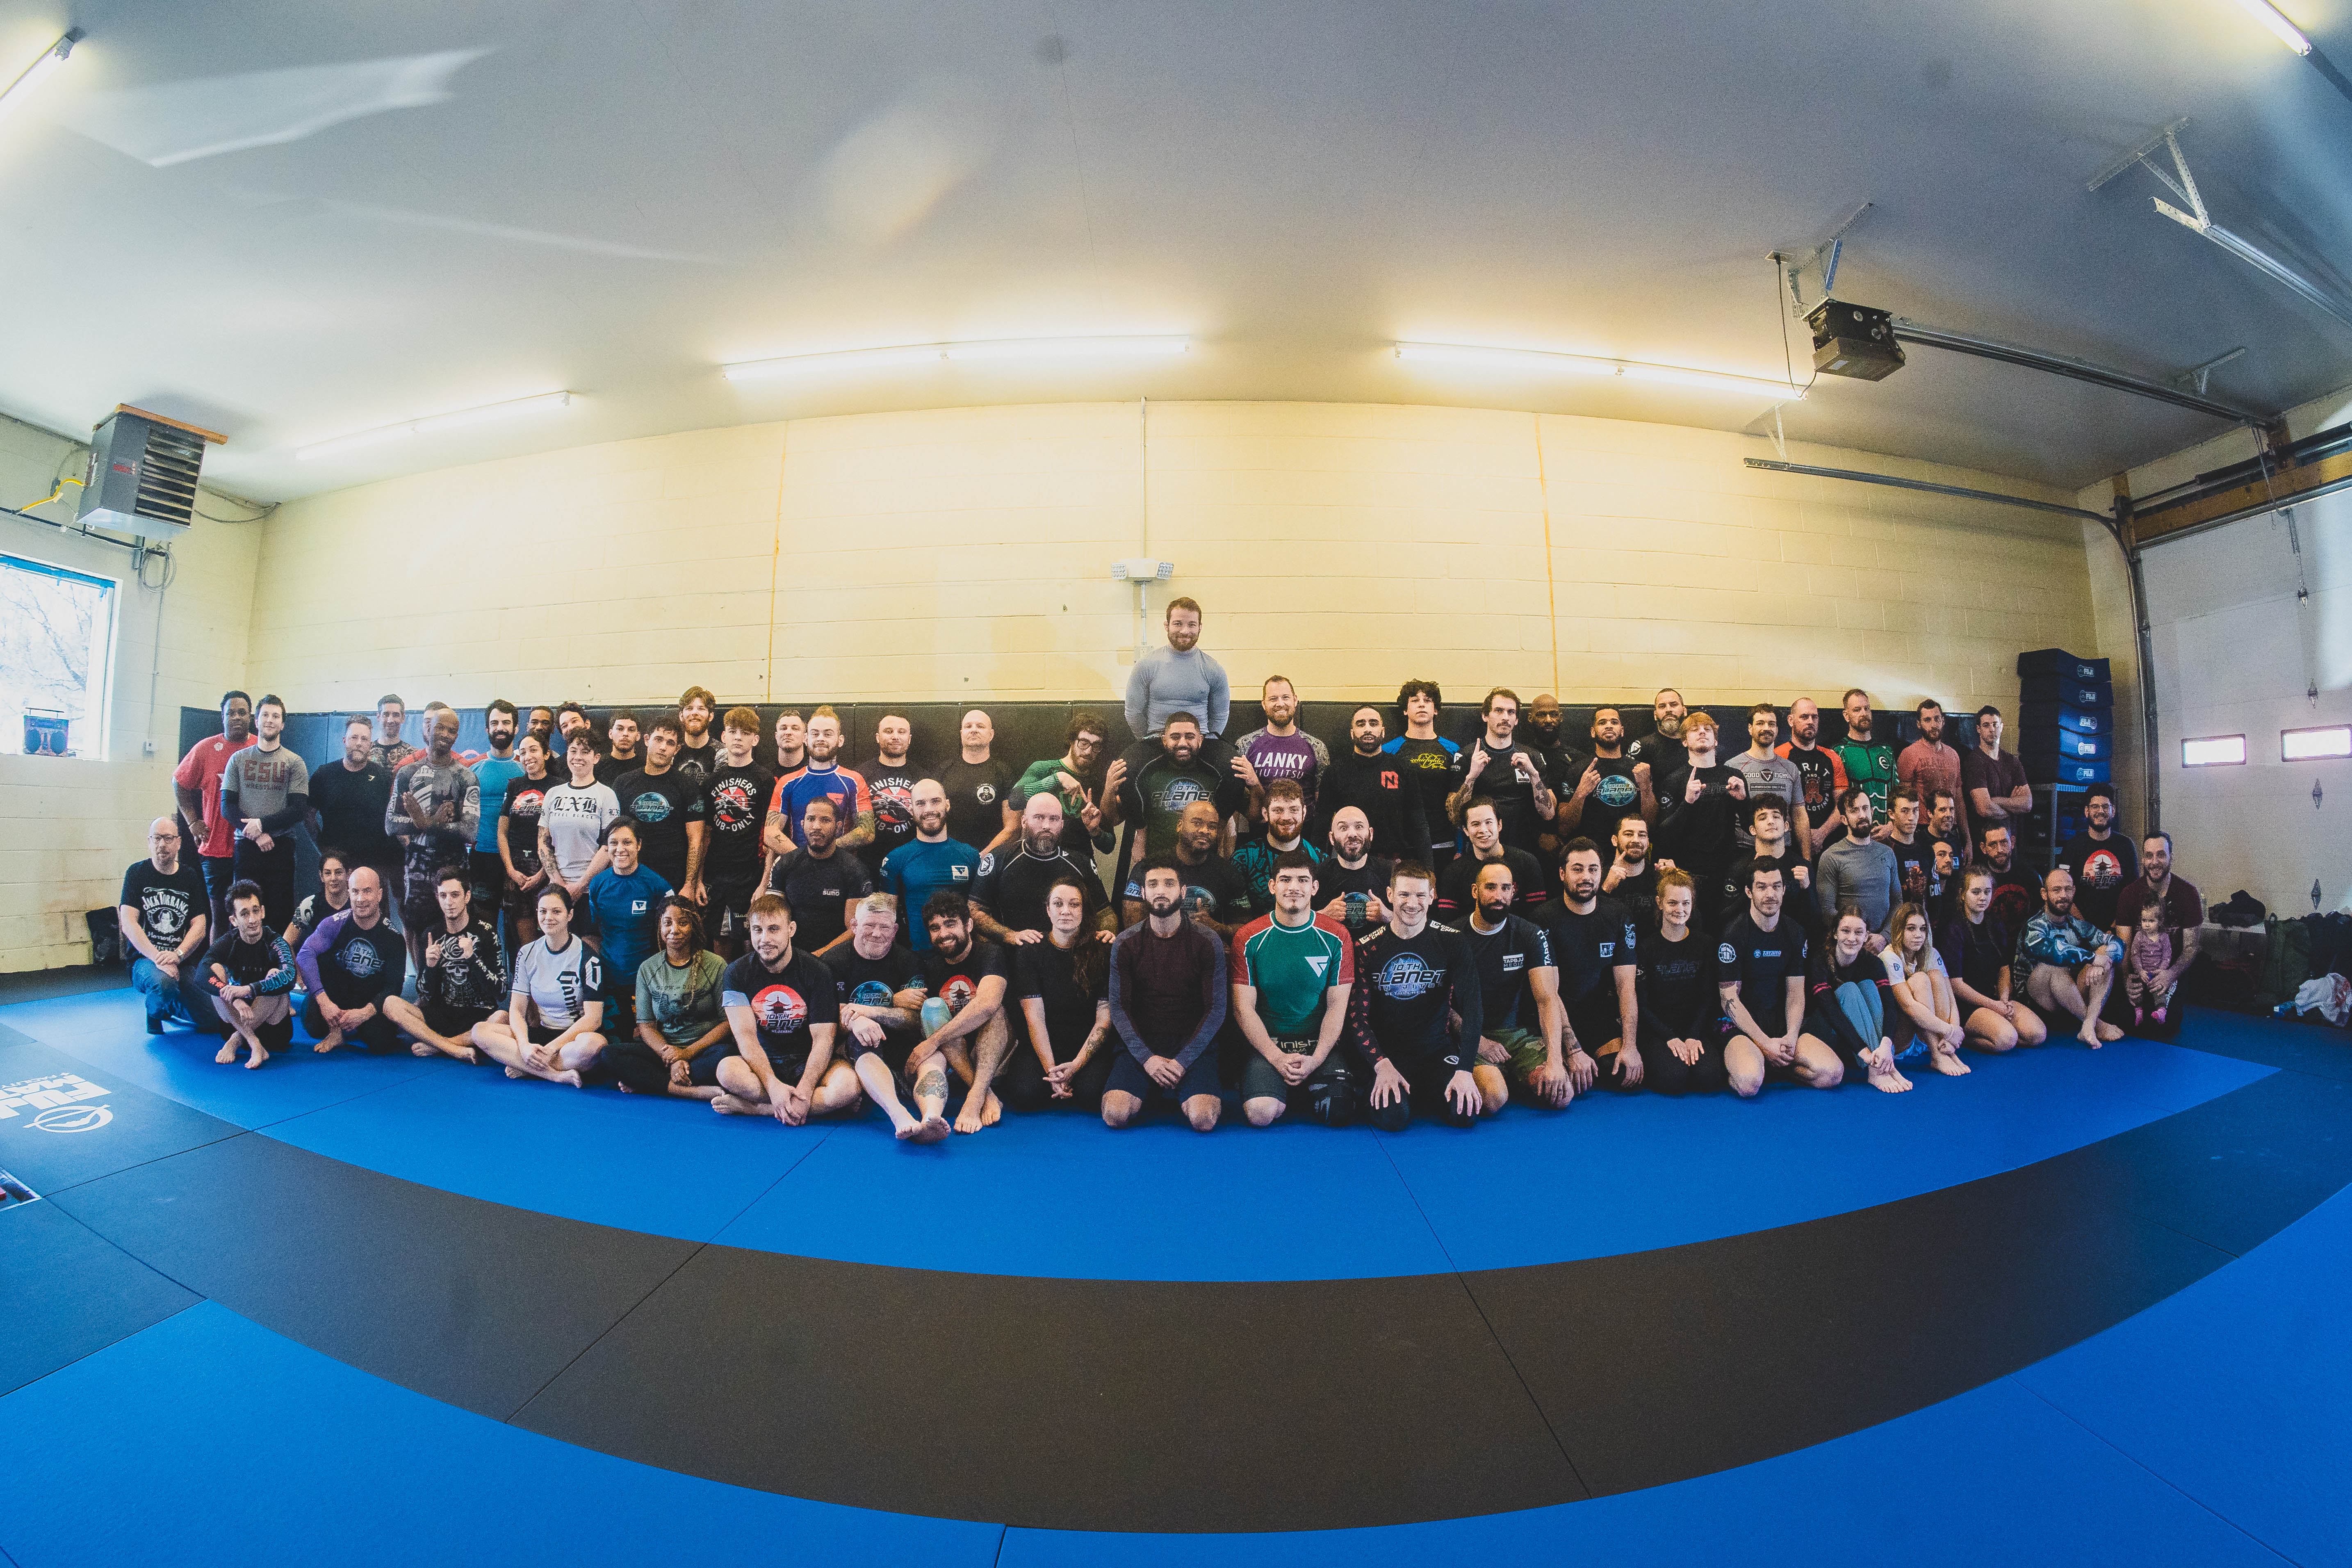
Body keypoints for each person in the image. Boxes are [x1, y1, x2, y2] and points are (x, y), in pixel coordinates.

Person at [1231, 852, 1361, 1126]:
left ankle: (1300, 1087)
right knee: (1261, 1114)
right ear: (1272, 886)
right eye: (1285, 880)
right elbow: (1244, 1010)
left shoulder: (1337, 936)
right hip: (1270, 1045)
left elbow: (1337, 1008)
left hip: (1318, 1046)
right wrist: (1277, 1057)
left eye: (1302, 880)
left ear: (1314, 888)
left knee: (1338, 1111)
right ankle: (1275, 1087)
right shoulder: (1248, 937)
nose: (1294, 887)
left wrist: (1316, 1060)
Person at [1351, 861, 1482, 1130]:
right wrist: (1381, 1065)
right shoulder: (1367, 947)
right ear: (1390, 895)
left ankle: (1426, 1092)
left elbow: (1473, 1009)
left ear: (1433, 896)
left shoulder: (1453, 942)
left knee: (1464, 1113)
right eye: (1404, 895)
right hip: (1388, 1055)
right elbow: (1357, 1018)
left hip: (1437, 1052)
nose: (1412, 904)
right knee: (1393, 1118)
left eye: (1421, 895)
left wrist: (1465, 1070)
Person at [1102, 858, 1228, 1132]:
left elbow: (1216, 1010)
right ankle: (1151, 1086)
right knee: (1115, 1115)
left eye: (1169, 884)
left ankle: (1171, 1085)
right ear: (1144, 893)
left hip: (1192, 1045)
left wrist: (1182, 1062)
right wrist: (1148, 1060)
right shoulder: (1125, 943)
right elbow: (1120, 1008)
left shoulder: (1208, 941)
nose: (1161, 890)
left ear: (1182, 892)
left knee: (1204, 1120)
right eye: (1153, 884)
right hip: (1142, 1045)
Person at [712, 894, 857, 1124]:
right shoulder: (736, 973)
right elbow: (746, 1038)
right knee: (726, 1071)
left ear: (791, 929)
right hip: (764, 1061)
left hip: (808, 1060)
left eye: (773, 929)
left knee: (849, 1087)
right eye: (758, 930)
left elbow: (824, 1040)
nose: (765, 939)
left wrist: (806, 1090)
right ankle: (792, 1104)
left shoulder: (818, 971)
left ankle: (756, 1109)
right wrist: (773, 1086)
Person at [825, 896, 951, 1140]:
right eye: (869, 925)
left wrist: (869, 1011)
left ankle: (931, 1118)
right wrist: (857, 1020)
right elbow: (830, 1017)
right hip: (860, 1049)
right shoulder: (832, 962)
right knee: (863, 1038)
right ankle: (900, 1116)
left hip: (902, 1046)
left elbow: (915, 1019)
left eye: (884, 927)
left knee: (934, 1055)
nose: (876, 934)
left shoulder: (909, 961)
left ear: (895, 931)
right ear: (854, 926)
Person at [1718, 857, 1844, 1096]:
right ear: (1749, 892)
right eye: (1762, 887)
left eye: (1776, 887)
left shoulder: (1795, 933)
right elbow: (1729, 1000)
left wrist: (1791, 1037)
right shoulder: (1734, 933)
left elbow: (1795, 995)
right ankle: (1754, 1064)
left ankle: (1778, 1068)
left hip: (1779, 1023)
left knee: (1832, 1074)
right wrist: (1764, 1043)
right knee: (1749, 1084)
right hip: (1742, 1026)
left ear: (1784, 890)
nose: (1770, 894)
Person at [1002, 877, 1119, 1115]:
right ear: (1048, 910)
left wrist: (1077, 1065)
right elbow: (1034, 1017)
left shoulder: (1103, 949)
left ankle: (1073, 1078)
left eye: (1075, 904)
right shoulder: (1030, 951)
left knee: (1091, 1094)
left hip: (1086, 1046)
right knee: (1025, 1095)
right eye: (1058, 904)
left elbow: (1104, 1018)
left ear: (1084, 910)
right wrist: (1052, 1071)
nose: (1066, 911)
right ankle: (1057, 1080)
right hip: (1044, 1045)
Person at [1459, 857, 1568, 1111]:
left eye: (1506, 888)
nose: (1499, 896)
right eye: (1491, 887)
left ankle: (1514, 1074)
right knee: (1494, 1098)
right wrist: (1480, 1041)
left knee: (1562, 1095)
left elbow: (1547, 999)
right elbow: (1442, 1004)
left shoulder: (1529, 934)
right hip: (1472, 1035)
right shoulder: (1455, 937)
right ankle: (1500, 1077)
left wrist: (1555, 1060)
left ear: (1513, 892)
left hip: (1517, 1035)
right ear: (1475, 891)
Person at [472, 886, 607, 1087]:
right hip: (541, 1035)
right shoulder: (527, 953)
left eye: (556, 912)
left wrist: (551, 1049)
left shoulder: (588, 958)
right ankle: (554, 1075)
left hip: (572, 1040)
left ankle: (526, 1066)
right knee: (480, 1031)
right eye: (543, 911)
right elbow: (517, 1010)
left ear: (570, 915)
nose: (548, 917)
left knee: (594, 1046)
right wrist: (524, 1046)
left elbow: (593, 1019)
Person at [1103, 711, 1247, 891]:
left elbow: (1256, 815)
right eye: (1175, 737)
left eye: (1190, 737)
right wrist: (1109, 789)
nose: (1183, 743)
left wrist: (1255, 785)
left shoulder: (1216, 775)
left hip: (1202, 865)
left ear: (1201, 740)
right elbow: (1111, 820)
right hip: (1157, 865)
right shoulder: (1148, 775)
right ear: (1164, 741)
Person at [912, 892, 1019, 1134]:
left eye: (951, 924)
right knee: (932, 1008)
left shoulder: (990, 953)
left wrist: (933, 1041)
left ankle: (975, 1097)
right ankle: (986, 1094)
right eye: (935, 928)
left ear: (969, 925)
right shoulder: (930, 966)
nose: (943, 934)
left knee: (995, 1011)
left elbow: (988, 1004)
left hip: (996, 1055)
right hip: (957, 1062)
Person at [1541, 839, 1640, 1094]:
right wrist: (1573, 1050)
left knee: (1623, 1074)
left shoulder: (1618, 915)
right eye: (1578, 869)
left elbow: (1626, 988)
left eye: (1593, 869)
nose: (1586, 877)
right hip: (1555, 1019)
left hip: (1598, 1017)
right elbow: (1549, 994)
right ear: (1562, 874)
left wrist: (1630, 1046)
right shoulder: (1543, 918)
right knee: (1559, 1090)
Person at [608, 899, 732, 1101]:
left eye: (683, 923)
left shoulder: (716, 964)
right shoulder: (648, 968)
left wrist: (686, 1053)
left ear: (694, 926)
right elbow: (646, 1026)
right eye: (668, 923)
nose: (675, 930)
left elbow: (727, 1023)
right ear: (660, 928)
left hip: (703, 1051)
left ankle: (650, 1082)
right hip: (664, 1052)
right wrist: (672, 1057)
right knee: (609, 1055)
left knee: (727, 1056)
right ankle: (684, 1090)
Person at [381, 865, 504, 1062]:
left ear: (467, 897)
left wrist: (473, 959)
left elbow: (501, 992)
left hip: (479, 1018)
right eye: (443, 896)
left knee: (502, 1018)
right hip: (443, 1015)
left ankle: (438, 1045)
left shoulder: (486, 932)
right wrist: (430, 967)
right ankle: (453, 1048)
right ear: (437, 898)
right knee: (390, 1004)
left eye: (455, 895)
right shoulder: (431, 935)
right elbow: (425, 994)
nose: (449, 902)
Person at [386, 706, 479, 966]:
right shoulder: (407, 773)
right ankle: (423, 985)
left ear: (457, 736)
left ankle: (453, 983)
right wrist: (430, 824)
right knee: (417, 927)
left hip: (453, 863)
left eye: (452, 731)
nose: (446, 735)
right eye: (441, 728)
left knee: (455, 926)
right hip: (417, 864)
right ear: (428, 729)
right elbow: (391, 825)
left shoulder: (466, 777)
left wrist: (425, 823)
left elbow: (470, 831)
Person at [969, 794, 1112, 945]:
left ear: (1062, 825)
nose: (1046, 826)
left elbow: (1106, 914)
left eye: (1054, 819)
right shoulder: (999, 858)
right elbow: (974, 910)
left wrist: (1106, 934)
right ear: (1024, 821)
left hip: (1068, 953)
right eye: (1039, 818)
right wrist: (1009, 935)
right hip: (1014, 952)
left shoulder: (1081, 863)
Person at [1633, 870, 1729, 1095]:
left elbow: (1708, 998)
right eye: (1673, 903)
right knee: (1674, 1079)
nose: (1680, 909)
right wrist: (1670, 1037)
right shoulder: (1646, 948)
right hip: (1658, 1030)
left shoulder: (1705, 944)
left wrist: (1694, 1035)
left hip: (1695, 1027)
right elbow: (1643, 1005)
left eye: (1686, 903)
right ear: (1660, 903)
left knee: (1709, 1077)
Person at [295, 865, 407, 1054]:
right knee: (313, 1025)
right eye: (355, 892)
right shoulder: (334, 924)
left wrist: (365, 1013)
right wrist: (324, 1002)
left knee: (381, 1043)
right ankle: (335, 1031)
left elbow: (394, 985)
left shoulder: (394, 938)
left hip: (368, 999)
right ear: (349, 894)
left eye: (367, 891)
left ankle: (357, 1026)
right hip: (337, 995)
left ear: (379, 895)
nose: (360, 899)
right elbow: (305, 954)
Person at [1936, 863, 2046, 1054]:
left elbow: (2004, 969)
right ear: (1963, 894)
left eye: (1987, 892)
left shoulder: (1996, 925)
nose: (1983, 897)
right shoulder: (1954, 930)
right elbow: (1956, 985)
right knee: (2007, 1040)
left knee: (2038, 1035)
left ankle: (1997, 1029)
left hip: (1994, 999)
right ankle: (1965, 1036)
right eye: (1976, 892)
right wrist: (1994, 1006)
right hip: (1966, 1006)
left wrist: (2004, 1000)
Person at [171, 689, 255, 939]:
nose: (237, 717)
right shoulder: (206, 748)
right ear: (223, 716)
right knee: (219, 916)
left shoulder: (260, 748)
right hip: (215, 847)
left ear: (251, 717)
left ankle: (246, 962)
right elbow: (179, 783)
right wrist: (193, 822)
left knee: (249, 915)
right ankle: (217, 963)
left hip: (250, 846)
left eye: (242, 713)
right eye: (231, 713)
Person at [579, 817, 673, 1036]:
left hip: (648, 981)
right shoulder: (598, 884)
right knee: (612, 1044)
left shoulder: (658, 885)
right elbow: (593, 932)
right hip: (609, 981)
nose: (620, 849)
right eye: (614, 843)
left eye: (627, 842)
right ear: (607, 847)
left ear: (639, 845)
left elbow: (671, 936)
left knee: (645, 1042)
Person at [1444, 688, 1557, 868]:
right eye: (1499, 711)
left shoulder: (1532, 757)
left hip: (1523, 851)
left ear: (1517, 720)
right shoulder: (1467, 756)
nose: (1505, 717)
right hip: (1482, 852)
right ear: (1485, 716)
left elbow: (1549, 814)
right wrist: (1472, 777)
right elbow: (1455, 817)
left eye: (1511, 712)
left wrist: (1534, 775)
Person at [2016, 866, 2126, 1048]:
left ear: (2074, 891)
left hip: (2070, 999)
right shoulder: (2034, 926)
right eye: (2056, 890)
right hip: (2037, 1004)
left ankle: (2089, 1024)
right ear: (2044, 894)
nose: (2063, 895)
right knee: (2054, 966)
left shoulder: (2078, 925)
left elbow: (2118, 943)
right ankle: (2096, 1025)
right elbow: (2052, 951)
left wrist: (2103, 959)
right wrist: (2092, 958)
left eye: (2068, 889)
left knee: (2105, 953)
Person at [1655, 711, 1746, 927]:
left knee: (1722, 925)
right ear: (1685, 741)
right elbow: (1665, 832)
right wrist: (1687, 802)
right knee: (1692, 927)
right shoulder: (1675, 780)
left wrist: (1743, 800)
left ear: (1716, 741)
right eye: (1695, 730)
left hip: (1725, 868)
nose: (1702, 732)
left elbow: (1749, 825)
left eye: (1708, 730)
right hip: (1688, 870)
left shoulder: (1733, 776)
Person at [120, 817, 210, 1033]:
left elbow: (200, 926)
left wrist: (178, 955)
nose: (162, 844)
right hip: (145, 961)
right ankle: (155, 1011)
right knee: (164, 984)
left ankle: (170, 1006)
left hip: (181, 961)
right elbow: (129, 923)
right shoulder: (136, 873)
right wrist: (158, 958)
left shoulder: (189, 877)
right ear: (149, 842)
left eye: (168, 839)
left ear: (179, 843)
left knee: (214, 1020)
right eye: (157, 838)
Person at [1122, 597, 1231, 774]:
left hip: (1200, 743)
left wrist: (1200, 741)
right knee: (1126, 770)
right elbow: (1133, 713)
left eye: (1192, 625)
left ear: (1200, 627)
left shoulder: (1214, 669)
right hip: (1157, 740)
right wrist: (1151, 739)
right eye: (1178, 624)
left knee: (1232, 770)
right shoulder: (1146, 666)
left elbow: (1220, 716)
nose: (1185, 631)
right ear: (1167, 626)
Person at [195, 880, 297, 1069]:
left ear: (263, 912)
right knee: (215, 972)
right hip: (237, 1018)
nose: (252, 920)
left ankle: (236, 1041)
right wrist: (235, 998)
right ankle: (253, 1043)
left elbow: (290, 976)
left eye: (256, 911)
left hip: (273, 1030)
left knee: (276, 974)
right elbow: (201, 973)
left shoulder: (275, 942)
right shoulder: (228, 942)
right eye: (244, 914)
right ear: (234, 920)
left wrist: (248, 990)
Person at [2110, 832, 2202, 1041]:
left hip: (2170, 972)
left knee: (2165, 1026)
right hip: (2140, 971)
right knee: (2126, 1020)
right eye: (2149, 856)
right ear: (2143, 859)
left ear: (2171, 857)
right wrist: (2127, 980)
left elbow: (2191, 947)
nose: (2155, 862)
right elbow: (2124, 945)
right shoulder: (2129, 895)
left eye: (2161, 855)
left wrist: (2171, 974)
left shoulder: (2188, 894)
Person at [1809, 906, 1910, 1093]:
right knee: (1849, 990)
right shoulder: (1820, 961)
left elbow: (1889, 1007)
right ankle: (1876, 1069)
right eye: (1845, 931)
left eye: (1858, 933)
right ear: (1835, 934)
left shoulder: (1874, 963)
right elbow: (1831, 1012)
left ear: (1867, 936)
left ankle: (1885, 1064)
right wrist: (1866, 1055)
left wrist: (1887, 1045)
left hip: (1857, 1045)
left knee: (1869, 987)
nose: (1852, 938)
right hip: (1825, 1033)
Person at [223, 728, 313, 940]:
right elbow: (227, 807)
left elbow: (298, 809)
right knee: (245, 909)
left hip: (281, 846)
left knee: (280, 911)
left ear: (283, 724)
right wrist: (257, 835)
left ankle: (278, 959)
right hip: (247, 847)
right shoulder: (238, 759)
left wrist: (262, 825)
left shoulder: (294, 762)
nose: (270, 721)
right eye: (265, 715)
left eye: (275, 716)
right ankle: (244, 959)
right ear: (257, 721)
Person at [1313, 705, 1431, 864]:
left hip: (1394, 861)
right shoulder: (1335, 772)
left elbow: (1419, 824)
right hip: (1350, 861)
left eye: (1373, 724)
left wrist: (1429, 869)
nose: (1367, 729)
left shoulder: (1403, 769)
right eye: (1361, 724)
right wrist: (1318, 869)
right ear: (1352, 733)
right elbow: (1321, 825)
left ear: (1383, 731)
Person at [703, 707, 777, 957]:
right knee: (719, 939)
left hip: (750, 874)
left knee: (752, 941)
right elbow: (705, 834)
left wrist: (765, 882)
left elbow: (771, 835)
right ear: (724, 737)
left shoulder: (765, 780)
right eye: (733, 732)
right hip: (717, 874)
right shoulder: (712, 781)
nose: (738, 738)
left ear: (755, 739)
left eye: (745, 733)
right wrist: (698, 879)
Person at [1122, 798, 1252, 937]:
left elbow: (1246, 929)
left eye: (1212, 827)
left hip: (1205, 946)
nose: (1205, 831)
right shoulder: (1148, 868)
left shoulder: (1228, 873)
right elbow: (1132, 927)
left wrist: (1219, 928)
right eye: (1197, 823)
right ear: (1180, 826)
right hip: (1156, 946)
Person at [880, 779, 981, 953]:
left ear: (947, 805)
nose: (929, 810)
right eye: (921, 804)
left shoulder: (971, 856)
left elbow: (981, 913)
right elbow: (886, 918)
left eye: (935, 801)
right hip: (918, 958)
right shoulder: (896, 859)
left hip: (964, 957)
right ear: (911, 810)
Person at [764, 796, 873, 954]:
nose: (816, 826)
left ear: (838, 827)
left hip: (836, 956)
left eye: (825, 820)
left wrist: (819, 956)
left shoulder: (855, 869)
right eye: (811, 819)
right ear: (803, 824)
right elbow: (771, 917)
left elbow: (854, 929)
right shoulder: (785, 863)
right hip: (791, 954)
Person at [615, 716, 708, 898]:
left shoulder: (688, 787)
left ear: (677, 749)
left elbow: (696, 840)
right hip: (631, 875)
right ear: (647, 740)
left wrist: (690, 885)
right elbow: (614, 835)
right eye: (658, 739)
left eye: (670, 743)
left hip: (673, 878)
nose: (663, 747)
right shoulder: (623, 783)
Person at [1555, 706, 1657, 868]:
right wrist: (1581, 793)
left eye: (1614, 722)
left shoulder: (1640, 770)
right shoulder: (1579, 770)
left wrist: (1646, 789)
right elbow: (1565, 828)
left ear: (1622, 731)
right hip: (1592, 859)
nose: (1609, 726)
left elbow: (1651, 824)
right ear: (1593, 732)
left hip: (1631, 857)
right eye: (1602, 723)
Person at [310, 716, 399, 900]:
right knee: (334, 914)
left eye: (364, 739)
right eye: (354, 738)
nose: (359, 743)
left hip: (374, 865)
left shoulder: (384, 778)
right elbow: (308, 814)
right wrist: (322, 847)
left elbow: (393, 819)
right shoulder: (324, 775)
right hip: (336, 866)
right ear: (345, 740)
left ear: (370, 745)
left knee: (375, 916)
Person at [766, 706, 873, 857]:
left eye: (828, 734)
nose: (820, 739)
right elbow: (770, 832)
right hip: (798, 866)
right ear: (806, 739)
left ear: (840, 740)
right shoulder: (787, 782)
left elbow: (868, 832)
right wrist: (803, 859)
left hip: (839, 867)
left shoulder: (854, 781)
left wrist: (824, 853)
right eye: (815, 734)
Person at [1003, 711, 1113, 856]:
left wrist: (1095, 831)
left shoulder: (1098, 784)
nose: (1088, 751)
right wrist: (1058, 778)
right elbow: (1014, 800)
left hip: (1078, 861)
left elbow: (1109, 846)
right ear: (1072, 741)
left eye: (1096, 746)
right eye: (1084, 743)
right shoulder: (1043, 769)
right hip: (1039, 857)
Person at [1881, 901, 1969, 1077]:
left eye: (1923, 929)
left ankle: (1945, 1051)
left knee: (1935, 975)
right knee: (1920, 979)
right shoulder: (1889, 956)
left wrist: (1953, 1037)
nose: (1918, 935)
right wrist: (1950, 1031)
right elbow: (1909, 1007)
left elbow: (1951, 1000)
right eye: (1911, 929)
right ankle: (1937, 1055)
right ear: (1899, 931)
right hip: (1900, 1038)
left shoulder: (1931, 953)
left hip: (1929, 1034)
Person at [1381, 679, 1460, 869]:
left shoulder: (1452, 750)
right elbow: (1386, 802)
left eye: (1428, 700)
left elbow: (1458, 801)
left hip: (1443, 842)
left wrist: (1460, 846)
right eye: (1415, 700)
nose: (1422, 704)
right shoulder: (1389, 750)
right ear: (1405, 710)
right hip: (1404, 845)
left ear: (1436, 709)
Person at [540, 732, 620, 902]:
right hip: (556, 889)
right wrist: (558, 883)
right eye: (573, 751)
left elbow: (609, 845)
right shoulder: (553, 794)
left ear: (596, 758)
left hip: (592, 889)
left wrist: (581, 885)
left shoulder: (606, 795)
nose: (578, 757)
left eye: (585, 752)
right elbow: (543, 842)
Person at [1436, 798, 1546, 922]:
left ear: (1499, 825)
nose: (1483, 830)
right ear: (1466, 830)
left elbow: (1537, 918)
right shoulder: (1453, 872)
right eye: (1476, 824)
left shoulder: (1527, 863)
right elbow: (1448, 924)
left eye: (1488, 822)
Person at [1233, 675, 1327, 819]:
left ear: (1295, 700)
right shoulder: (1245, 744)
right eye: (1273, 699)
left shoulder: (1317, 747)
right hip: (1261, 826)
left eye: (1285, 697)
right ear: (1264, 704)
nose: (1280, 704)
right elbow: (1237, 802)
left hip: (1305, 829)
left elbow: (1322, 803)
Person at [1814, 787, 1899, 945]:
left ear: (1872, 812)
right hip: (1848, 943)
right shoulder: (1831, 856)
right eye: (1854, 811)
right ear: (1844, 820)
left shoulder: (1888, 853)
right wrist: (1857, 938)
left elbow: (1897, 901)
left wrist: (1885, 937)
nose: (1862, 815)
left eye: (1865, 809)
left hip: (1884, 943)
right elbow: (1827, 911)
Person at [495, 733, 555, 955]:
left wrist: (543, 873)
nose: (528, 756)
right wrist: (511, 870)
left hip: (547, 870)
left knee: (551, 936)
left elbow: (559, 837)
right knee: (526, 945)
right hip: (516, 871)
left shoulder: (558, 787)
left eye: (534, 750)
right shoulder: (514, 786)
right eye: (523, 752)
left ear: (546, 754)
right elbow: (502, 832)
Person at [1726, 703, 1810, 857]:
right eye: (1760, 723)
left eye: (1772, 724)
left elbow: (1799, 816)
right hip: (1745, 851)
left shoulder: (1790, 769)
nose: (1767, 728)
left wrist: (1807, 860)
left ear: (1777, 730)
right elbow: (1725, 816)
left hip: (1783, 850)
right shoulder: (1733, 767)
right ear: (1750, 728)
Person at [1231, 779, 1326, 914]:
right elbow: (1237, 918)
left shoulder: (1321, 861)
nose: (1286, 817)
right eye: (1278, 810)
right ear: (1266, 814)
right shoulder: (1243, 859)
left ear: (1304, 813)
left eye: (1294, 810)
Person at [469, 701, 525, 926]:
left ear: (516, 728)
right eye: (494, 723)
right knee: (485, 926)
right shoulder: (473, 769)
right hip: (483, 857)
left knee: (520, 926)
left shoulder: (526, 768)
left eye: (506, 723)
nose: (500, 728)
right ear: (487, 729)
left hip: (520, 859)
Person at [1729, 797, 1815, 940]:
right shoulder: (1740, 868)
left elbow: (1815, 923)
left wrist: (1807, 890)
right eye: (1763, 818)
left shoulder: (1803, 868)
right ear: (1753, 830)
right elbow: (1725, 918)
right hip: (1750, 943)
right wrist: (1750, 886)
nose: (1771, 822)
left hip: (1791, 944)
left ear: (1786, 826)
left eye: (1776, 816)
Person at [2056, 784, 2138, 932]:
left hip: (2119, 927)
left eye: (2105, 807)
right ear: (2087, 811)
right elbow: (2064, 892)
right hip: (2080, 928)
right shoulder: (2072, 847)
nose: (2101, 811)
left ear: (2113, 811)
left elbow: (2132, 892)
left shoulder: (2126, 845)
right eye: (2095, 807)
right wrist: (2087, 930)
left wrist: (2113, 929)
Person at [1897, 700, 1970, 863]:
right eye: (1927, 720)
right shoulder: (1909, 754)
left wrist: (1968, 840)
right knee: (1925, 876)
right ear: (1919, 724)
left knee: (1953, 876)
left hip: (1951, 830)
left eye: (1937, 719)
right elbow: (1903, 800)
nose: (1933, 725)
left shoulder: (1953, 755)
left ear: (1943, 721)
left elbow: (1959, 800)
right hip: (1922, 830)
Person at [937, 709, 1017, 851]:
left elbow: (1012, 827)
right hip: (949, 854)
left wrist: (984, 856)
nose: (974, 730)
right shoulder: (943, 771)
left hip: (991, 856)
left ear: (991, 735)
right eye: (968, 726)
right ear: (962, 734)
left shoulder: (1004, 773)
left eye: (980, 726)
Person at [1775, 696, 1848, 848]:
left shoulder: (1832, 757)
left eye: (1814, 717)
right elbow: (1776, 804)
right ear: (1791, 721)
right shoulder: (1779, 755)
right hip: (1791, 842)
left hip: (1829, 841)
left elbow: (1842, 804)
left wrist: (1822, 833)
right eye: (1804, 717)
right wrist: (1803, 836)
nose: (1810, 722)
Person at [1961, 704, 2033, 851]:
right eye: (1986, 725)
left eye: (1995, 725)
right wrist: (2012, 807)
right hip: (1984, 843)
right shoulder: (1975, 762)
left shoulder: (2013, 762)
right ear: (1979, 729)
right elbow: (1984, 808)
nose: (1992, 729)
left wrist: (1997, 801)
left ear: (2002, 727)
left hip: (2010, 842)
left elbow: (2027, 803)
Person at [1317, 804, 1395, 936]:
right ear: (1332, 838)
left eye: (1359, 827)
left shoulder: (1392, 872)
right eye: (1343, 828)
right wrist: (1323, 917)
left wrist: (1388, 916)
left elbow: (1417, 923)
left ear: (1371, 834)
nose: (1352, 834)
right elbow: (1294, 924)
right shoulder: (1316, 875)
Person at [859, 711, 921, 875]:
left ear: (909, 739)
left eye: (902, 732)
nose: (895, 737)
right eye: (889, 731)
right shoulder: (860, 776)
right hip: (869, 864)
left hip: (912, 863)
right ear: (878, 737)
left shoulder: (923, 778)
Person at [1830, 689, 1896, 817]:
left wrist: (1891, 825)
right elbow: (1838, 804)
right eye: (1857, 710)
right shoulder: (1839, 752)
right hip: (1855, 826)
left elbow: (1897, 796)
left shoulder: (1886, 751)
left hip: (1887, 827)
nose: (1864, 713)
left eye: (1867, 709)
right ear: (1846, 716)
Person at [284, 846, 350, 960]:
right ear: (321, 876)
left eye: (339, 872)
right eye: (328, 873)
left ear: (348, 874)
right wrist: (297, 970)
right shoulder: (310, 905)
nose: (333, 878)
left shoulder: (359, 902)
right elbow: (285, 944)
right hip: (319, 968)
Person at [1977, 823, 2042, 934]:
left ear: (2012, 842)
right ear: (1984, 848)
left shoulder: (2030, 877)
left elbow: (2040, 916)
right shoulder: (1977, 879)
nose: (2000, 850)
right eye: (1993, 845)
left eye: (2004, 842)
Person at [1881, 785, 1936, 913]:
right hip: (1893, 921)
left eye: (1915, 810)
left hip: (1922, 921)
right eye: (1905, 811)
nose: (1912, 817)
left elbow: (1934, 896)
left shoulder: (1927, 850)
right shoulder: (1883, 851)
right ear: (1892, 814)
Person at [2126, 901, 2177, 1030]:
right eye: (2144, 920)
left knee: (2159, 990)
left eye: (2151, 921)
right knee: (2137, 989)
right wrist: (2140, 971)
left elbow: (2167, 955)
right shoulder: (2140, 936)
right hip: (2143, 972)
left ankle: (2161, 1012)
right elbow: (2135, 955)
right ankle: (2139, 1012)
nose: (2147, 924)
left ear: (2160, 921)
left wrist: (2162, 970)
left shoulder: (2163, 937)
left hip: (2156, 973)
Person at [1601, 814, 1664, 909]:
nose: (1636, 840)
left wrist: (1674, 877)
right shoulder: (1599, 877)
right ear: (1615, 841)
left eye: (1642, 835)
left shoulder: (1658, 877)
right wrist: (1607, 888)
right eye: (1629, 834)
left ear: (1648, 842)